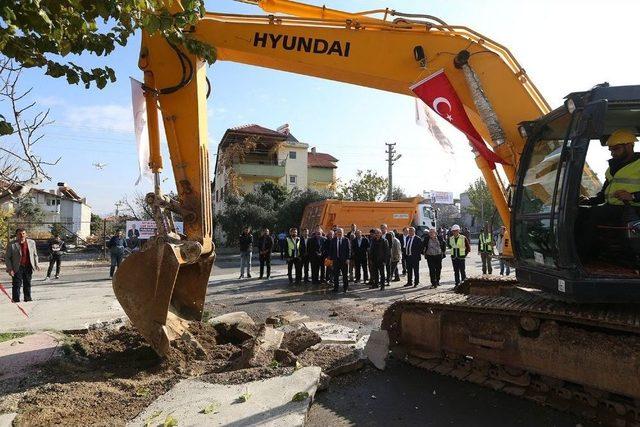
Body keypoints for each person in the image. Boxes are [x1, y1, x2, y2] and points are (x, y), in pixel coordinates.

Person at [580, 129, 640, 257]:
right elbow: (604, 194)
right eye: (611, 150)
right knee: (582, 211)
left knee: (594, 214)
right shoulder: (612, 167)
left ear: (629, 146)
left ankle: (583, 256)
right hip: (614, 207)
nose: (613, 153)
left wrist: (633, 196)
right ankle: (587, 255)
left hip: (634, 208)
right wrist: (589, 200)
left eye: (616, 149)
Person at [5, 228, 39, 302]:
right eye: (20, 234)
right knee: (17, 284)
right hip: (17, 267)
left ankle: (27, 298)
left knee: (27, 283)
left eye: (23, 233)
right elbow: (7, 257)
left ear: (26, 234)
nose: (22, 235)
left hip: (28, 266)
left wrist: (36, 264)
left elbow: (35, 254)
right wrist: (10, 269)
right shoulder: (12, 244)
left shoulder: (32, 242)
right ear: (16, 235)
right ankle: (16, 299)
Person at [329, 227, 351, 292]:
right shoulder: (333, 240)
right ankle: (336, 288)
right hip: (336, 261)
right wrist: (331, 259)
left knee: (345, 275)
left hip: (344, 261)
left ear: (343, 233)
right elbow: (331, 250)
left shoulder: (346, 240)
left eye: (341, 232)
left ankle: (345, 288)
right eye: (338, 232)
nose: (339, 233)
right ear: (336, 233)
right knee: (336, 275)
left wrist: (348, 258)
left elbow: (349, 250)